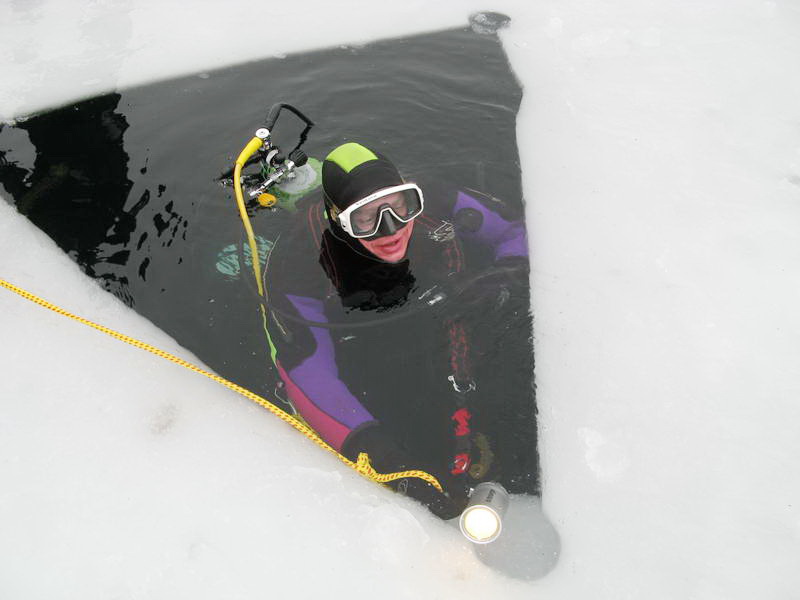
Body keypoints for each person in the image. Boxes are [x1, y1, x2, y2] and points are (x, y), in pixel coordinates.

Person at [263, 142, 537, 519]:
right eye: (366, 218)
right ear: (338, 217)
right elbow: (307, 366)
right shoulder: (298, 260)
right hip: (359, 334)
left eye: (399, 206)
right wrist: (375, 449)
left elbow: (515, 231)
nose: (391, 228)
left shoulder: (435, 201)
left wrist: (496, 280)